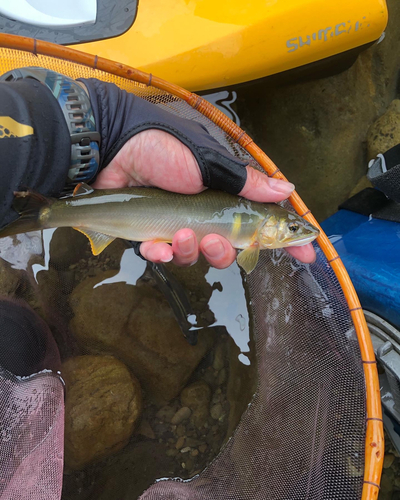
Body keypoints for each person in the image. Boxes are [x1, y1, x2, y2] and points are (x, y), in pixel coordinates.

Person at [0, 68, 316, 267]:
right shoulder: (253, 244)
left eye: (293, 229)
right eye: (292, 229)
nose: (301, 233)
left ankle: (44, 212)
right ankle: (44, 212)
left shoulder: (255, 229)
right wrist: (109, 123)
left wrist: (110, 124)